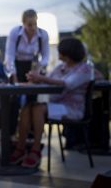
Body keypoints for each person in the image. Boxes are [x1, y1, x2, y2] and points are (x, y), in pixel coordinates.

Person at [9, 38, 92, 168]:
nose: (58, 54)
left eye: (60, 52)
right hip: (56, 106)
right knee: (27, 108)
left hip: (72, 109)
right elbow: (47, 81)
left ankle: (35, 150)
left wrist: (41, 78)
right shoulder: (60, 68)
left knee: (38, 109)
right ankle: (21, 148)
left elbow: (68, 84)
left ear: (67, 53)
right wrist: (34, 80)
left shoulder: (85, 69)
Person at [4, 9, 50, 83]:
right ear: (23, 23)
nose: (33, 27)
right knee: (16, 91)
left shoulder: (43, 34)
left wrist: (38, 71)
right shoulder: (15, 32)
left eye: (35, 24)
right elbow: (9, 56)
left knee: (32, 92)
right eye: (30, 25)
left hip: (34, 66)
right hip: (17, 66)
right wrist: (14, 76)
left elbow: (45, 56)